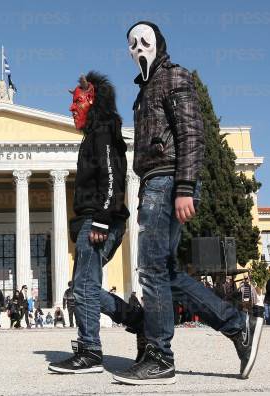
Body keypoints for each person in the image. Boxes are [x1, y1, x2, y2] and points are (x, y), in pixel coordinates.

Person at [113, 21, 264, 385]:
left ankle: (160, 357)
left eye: (144, 41)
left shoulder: (172, 76)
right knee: (167, 273)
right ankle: (238, 325)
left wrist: (184, 186)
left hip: (167, 182)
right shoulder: (145, 89)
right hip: (154, 183)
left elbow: (191, 132)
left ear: (159, 44)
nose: (137, 48)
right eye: (131, 44)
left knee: (150, 269)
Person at [49, 72, 140, 375]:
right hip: (95, 220)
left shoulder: (102, 130)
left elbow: (112, 176)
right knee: (84, 287)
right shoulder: (96, 133)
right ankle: (139, 321)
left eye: (77, 101)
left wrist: (101, 220)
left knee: (84, 287)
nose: (71, 108)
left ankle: (90, 351)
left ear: (92, 100)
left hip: (99, 221)